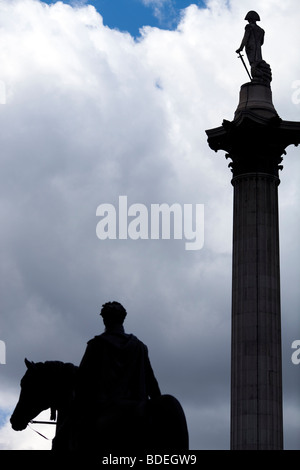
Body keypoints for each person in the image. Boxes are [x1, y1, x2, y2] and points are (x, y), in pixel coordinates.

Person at [73, 301, 161, 450]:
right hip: (139, 409)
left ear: (105, 320)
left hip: (105, 411)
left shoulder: (96, 345)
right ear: (122, 319)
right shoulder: (139, 346)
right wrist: (158, 409)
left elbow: (81, 383)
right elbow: (152, 384)